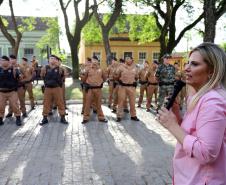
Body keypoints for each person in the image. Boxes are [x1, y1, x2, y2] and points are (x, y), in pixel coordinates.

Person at [157, 42, 226, 185]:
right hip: (190, 176)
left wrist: (172, 125)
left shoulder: (212, 102)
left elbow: (206, 153)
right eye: (187, 63)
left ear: (211, 71)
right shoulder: (200, 96)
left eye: (194, 64)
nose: (186, 68)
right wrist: (176, 114)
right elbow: (195, 134)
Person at [40, 54, 68, 125]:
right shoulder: (45, 68)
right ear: (48, 60)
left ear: (56, 60)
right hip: (48, 88)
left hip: (57, 88)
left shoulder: (60, 69)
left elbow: (63, 77)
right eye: (51, 58)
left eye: (54, 59)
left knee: (60, 102)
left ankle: (62, 117)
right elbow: (42, 76)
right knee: (46, 103)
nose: (52, 60)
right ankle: (45, 118)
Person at [81, 56, 108, 124]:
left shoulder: (101, 69)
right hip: (90, 89)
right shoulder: (87, 69)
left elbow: (104, 78)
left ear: (98, 61)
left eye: (96, 60)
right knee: (88, 104)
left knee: (99, 104)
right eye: (93, 61)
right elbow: (83, 78)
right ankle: (86, 118)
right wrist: (86, 83)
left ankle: (101, 117)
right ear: (92, 62)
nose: (94, 62)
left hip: (98, 89)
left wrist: (100, 82)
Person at [115, 56, 139, 122]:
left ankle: (133, 116)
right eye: (126, 59)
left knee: (132, 102)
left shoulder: (135, 68)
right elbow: (116, 76)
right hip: (123, 87)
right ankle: (119, 116)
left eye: (129, 59)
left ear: (132, 60)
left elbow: (137, 77)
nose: (127, 60)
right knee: (121, 101)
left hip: (131, 87)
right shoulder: (121, 67)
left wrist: (133, 81)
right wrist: (119, 81)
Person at [0, 56, 22, 126]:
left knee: (15, 105)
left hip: (12, 91)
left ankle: (18, 118)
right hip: (1, 92)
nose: (2, 61)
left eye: (3, 60)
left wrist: (18, 73)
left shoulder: (14, 69)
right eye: (1, 60)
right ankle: (0, 119)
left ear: (7, 61)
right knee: (0, 106)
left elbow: (20, 78)